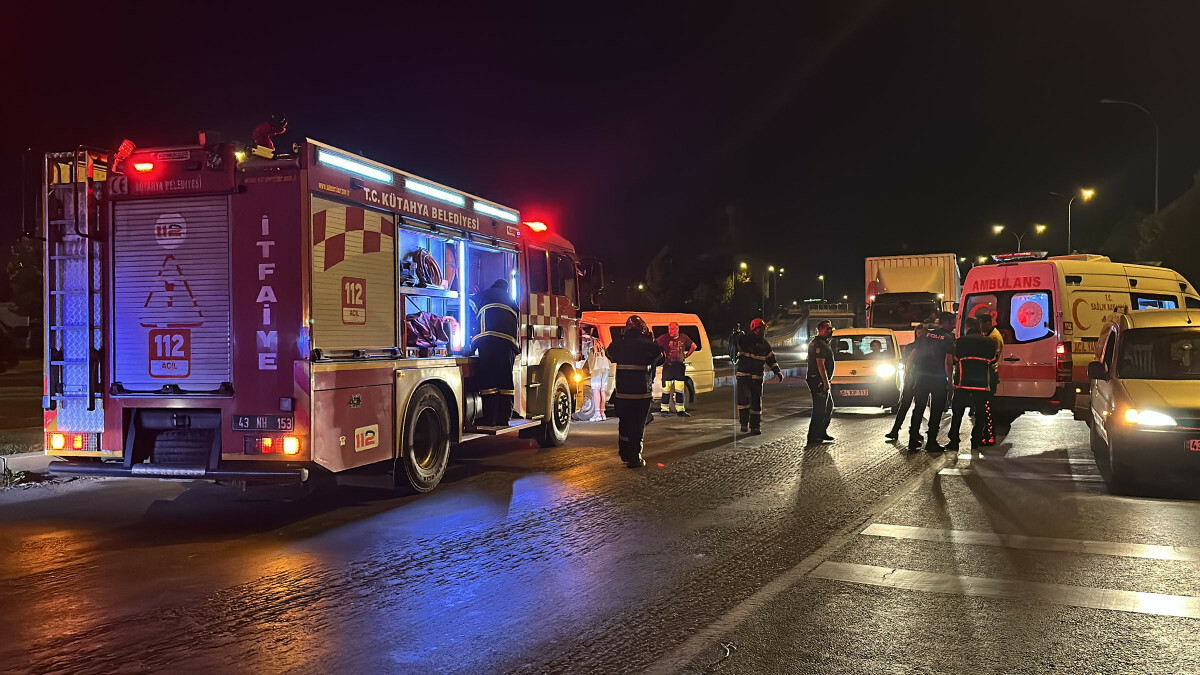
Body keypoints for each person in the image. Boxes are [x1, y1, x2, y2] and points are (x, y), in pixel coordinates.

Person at [606, 315, 664, 468]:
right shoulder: (648, 344)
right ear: (642, 329)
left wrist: (621, 338)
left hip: (622, 393)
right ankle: (635, 457)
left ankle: (624, 453)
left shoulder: (619, 343)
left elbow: (609, 354)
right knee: (637, 425)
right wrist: (650, 340)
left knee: (624, 423)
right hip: (641, 393)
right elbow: (661, 358)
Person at [469, 279, 520, 428]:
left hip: (487, 341)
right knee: (505, 382)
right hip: (508, 344)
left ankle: (489, 418)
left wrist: (470, 345)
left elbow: (470, 312)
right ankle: (504, 418)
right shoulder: (511, 300)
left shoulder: (483, 295)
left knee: (489, 381)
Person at [907, 312, 957, 452]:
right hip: (938, 379)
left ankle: (912, 441)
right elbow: (948, 361)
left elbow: (912, 356)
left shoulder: (925, 336)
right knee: (936, 411)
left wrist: (910, 374)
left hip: (921, 377)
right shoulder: (948, 338)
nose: (954, 326)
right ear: (946, 322)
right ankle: (931, 442)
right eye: (952, 323)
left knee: (919, 408)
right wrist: (950, 380)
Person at [948, 316, 997, 450]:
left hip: (963, 382)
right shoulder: (990, 342)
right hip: (982, 383)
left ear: (968, 328)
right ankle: (976, 439)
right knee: (981, 412)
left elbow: (955, 359)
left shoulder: (960, 342)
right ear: (978, 327)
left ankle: (954, 440)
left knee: (957, 412)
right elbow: (993, 359)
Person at [736, 318, 784, 435]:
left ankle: (755, 427)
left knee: (756, 403)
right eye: (762, 329)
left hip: (756, 378)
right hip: (744, 376)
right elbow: (738, 342)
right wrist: (737, 334)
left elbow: (771, 359)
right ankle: (743, 424)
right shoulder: (745, 340)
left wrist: (777, 372)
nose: (763, 331)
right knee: (743, 402)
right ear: (756, 329)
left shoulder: (765, 345)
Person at [885, 325, 926, 442]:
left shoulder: (922, 348)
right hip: (912, 378)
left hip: (917, 378)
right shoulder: (912, 347)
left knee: (917, 406)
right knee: (905, 405)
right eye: (918, 333)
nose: (920, 335)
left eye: (921, 333)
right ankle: (896, 430)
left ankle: (913, 431)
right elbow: (906, 361)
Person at [805, 320, 836, 445]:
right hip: (818, 380)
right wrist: (825, 382)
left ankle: (821, 432)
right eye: (828, 329)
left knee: (828, 406)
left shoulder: (821, 343)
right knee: (820, 409)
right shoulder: (820, 344)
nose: (831, 331)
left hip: (819, 379)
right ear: (822, 329)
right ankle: (813, 436)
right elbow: (820, 364)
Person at [657, 322, 697, 417]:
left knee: (680, 389)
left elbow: (694, 346)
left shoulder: (684, 337)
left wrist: (686, 355)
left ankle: (680, 410)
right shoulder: (664, 338)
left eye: (672, 329)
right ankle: (664, 410)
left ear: (677, 329)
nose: (670, 331)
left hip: (679, 367)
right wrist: (662, 354)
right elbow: (655, 344)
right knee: (666, 390)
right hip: (668, 366)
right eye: (669, 329)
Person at [585, 332, 611, 422]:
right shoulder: (602, 340)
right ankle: (602, 413)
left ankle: (597, 414)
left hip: (596, 367)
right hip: (605, 366)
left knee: (596, 390)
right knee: (602, 390)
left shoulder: (590, 341)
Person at [977, 310, 1004, 396]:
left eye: (981, 324)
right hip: (989, 371)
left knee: (988, 398)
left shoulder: (993, 337)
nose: (979, 327)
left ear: (988, 323)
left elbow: (993, 357)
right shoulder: (991, 334)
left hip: (990, 371)